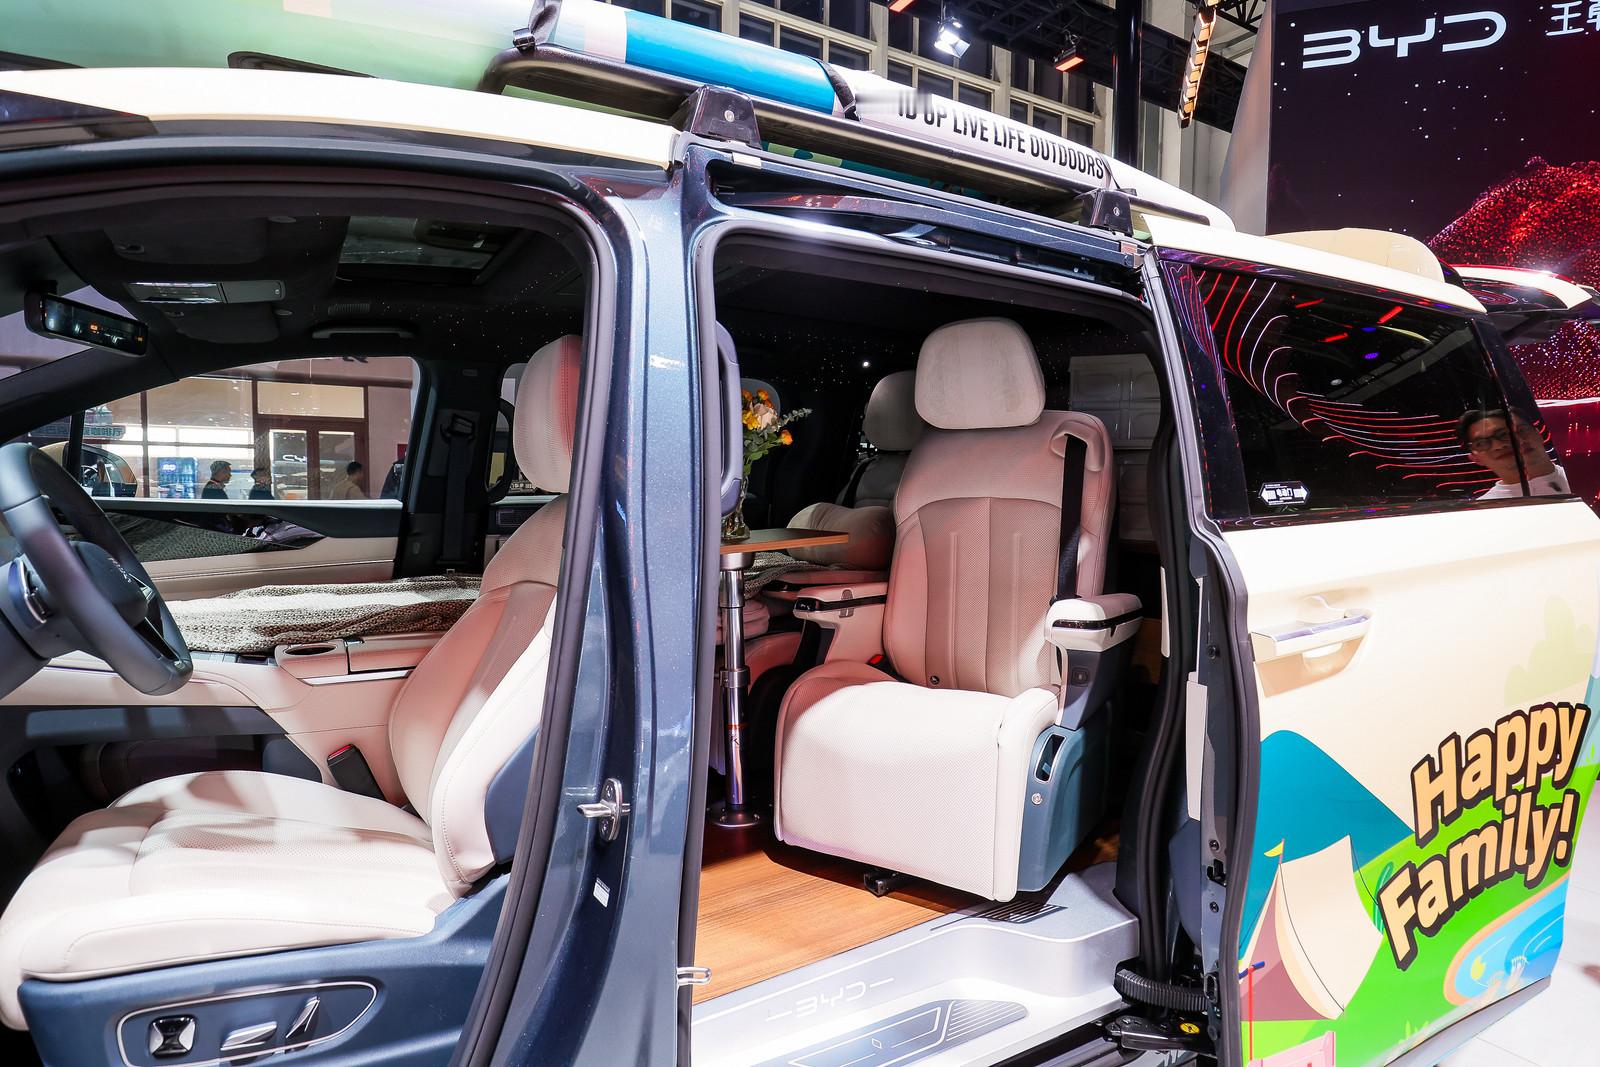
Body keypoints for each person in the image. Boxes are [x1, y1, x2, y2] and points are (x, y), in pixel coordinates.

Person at [1459, 408, 1570, 499]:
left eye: (1505, 434)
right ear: (1475, 458)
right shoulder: (1483, 511)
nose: (1499, 445)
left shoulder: (1578, 477)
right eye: (1481, 443)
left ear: (1538, 434)